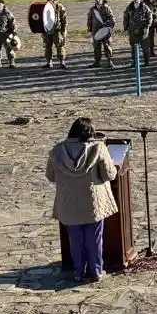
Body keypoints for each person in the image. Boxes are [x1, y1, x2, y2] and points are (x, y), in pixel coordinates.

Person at [46, 117, 118, 284]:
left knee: (75, 239)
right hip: (93, 201)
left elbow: (51, 176)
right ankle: (96, 271)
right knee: (94, 238)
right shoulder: (98, 148)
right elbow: (110, 174)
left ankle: (78, 272)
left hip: (69, 202)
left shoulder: (57, 151)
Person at [86, 0, 116, 68]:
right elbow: (89, 20)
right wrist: (90, 30)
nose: (98, 0)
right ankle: (97, 62)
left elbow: (112, 18)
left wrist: (110, 29)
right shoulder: (92, 9)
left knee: (107, 46)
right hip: (96, 31)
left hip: (105, 30)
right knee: (96, 47)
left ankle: (109, 61)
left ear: (102, 0)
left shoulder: (106, 8)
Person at [41, 0, 68, 69]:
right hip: (46, 30)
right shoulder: (44, 6)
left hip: (57, 30)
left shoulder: (59, 6)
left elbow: (64, 19)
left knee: (60, 46)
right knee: (47, 46)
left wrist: (63, 31)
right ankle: (49, 62)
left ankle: (62, 61)